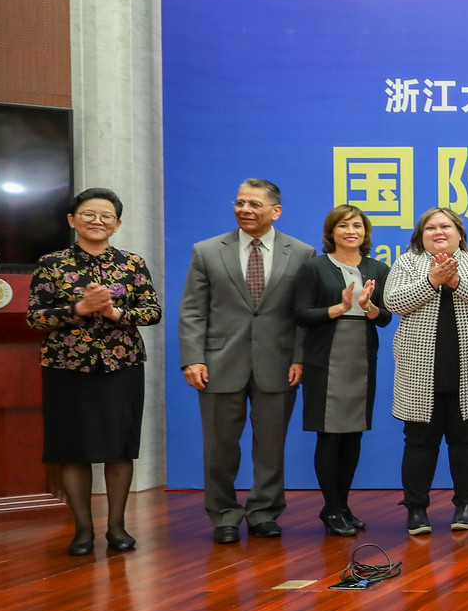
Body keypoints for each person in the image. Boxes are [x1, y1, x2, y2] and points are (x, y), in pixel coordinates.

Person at [27, 188, 161, 556]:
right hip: (67, 367)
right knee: (73, 449)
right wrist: (80, 308)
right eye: (88, 214)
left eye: (106, 216)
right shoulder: (51, 264)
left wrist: (118, 314)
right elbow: (35, 318)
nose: (97, 221)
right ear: (72, 220)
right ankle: (83, 530)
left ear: (117, 224)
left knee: (119, 448)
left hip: (122, 365)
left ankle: (117, 527)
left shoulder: (132, 263)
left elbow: (152, 311)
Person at [179, 179, 311, 543]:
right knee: (219, 448)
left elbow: (303, 312)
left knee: (270, 448)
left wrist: (300, 356)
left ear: (276, 211)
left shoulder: (301, 253)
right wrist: (192, 358)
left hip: (279, 364)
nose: (245, 210)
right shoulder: (207, 251)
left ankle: (264, 512)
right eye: (240, 203)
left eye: (254, 204)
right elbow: (192, 310)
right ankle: (223, 515)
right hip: (219, 363)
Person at [384, 207, 468, 536]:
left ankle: (465, 505)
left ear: (459, 233)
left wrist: (457, 282)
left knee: (467, 442)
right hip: (419, 373)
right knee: (419, 443)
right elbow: (393, 301)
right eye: (430, 228)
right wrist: (432, 282)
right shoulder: (406, 263)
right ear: (421, 236)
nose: (438, 232)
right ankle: (416, 509)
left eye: (445, 226)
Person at [291, 204, 392, 537]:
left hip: (361, 357)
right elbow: (301, 313)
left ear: (366, 233)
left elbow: (386, 318)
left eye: (358, 226)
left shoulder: (378, 268)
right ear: (331, 231)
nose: (352, 231)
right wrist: (338, 308)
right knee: (330, 433)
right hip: (326, 358)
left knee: (353, 433)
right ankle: (332, 508)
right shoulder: (315, 268)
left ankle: (342, 505)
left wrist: (368, 307)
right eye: (344, 225)